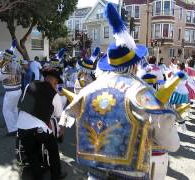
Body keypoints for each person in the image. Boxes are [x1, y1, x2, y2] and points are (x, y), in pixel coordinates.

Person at [59, 4, 180, 179]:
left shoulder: (89, 89)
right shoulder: (141, 92)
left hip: (93, 172)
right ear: (135, 64)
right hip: (129, 174)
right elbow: (170, 143)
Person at [17, 59, 67, 180]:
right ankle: (56, 175)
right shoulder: (54, 94)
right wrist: (61, 131)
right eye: (56, 84)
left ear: (45, 79)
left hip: (22, 126)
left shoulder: (29, 85)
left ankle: (38, 176)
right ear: (54, 82)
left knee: (31, 154)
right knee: (53, 150)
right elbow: (59, 116)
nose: (56, 86)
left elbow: (23, 104)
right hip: (39, 129)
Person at [0, 40, 22, 136]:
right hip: (17, 90)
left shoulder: (6, 67)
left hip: (11, 92)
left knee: (6, 110)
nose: (1, 59)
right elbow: (11, 52)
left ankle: (13, 129)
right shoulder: (16, 64)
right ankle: (17, 126)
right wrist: (12, 48)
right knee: (14, 109)